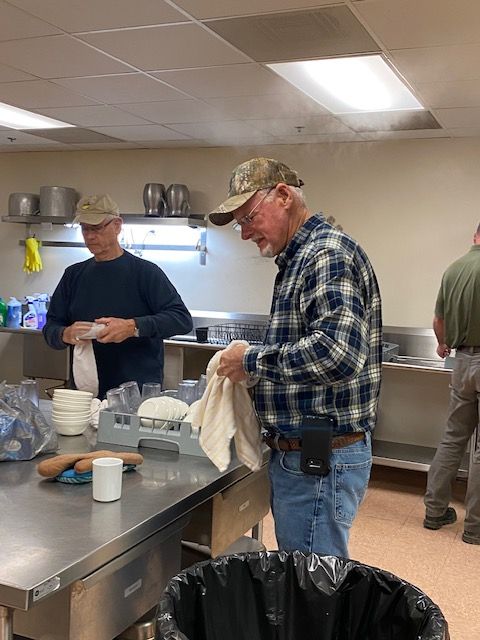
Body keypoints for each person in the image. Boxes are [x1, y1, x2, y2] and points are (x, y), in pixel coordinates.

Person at [209, 157, 382, 557]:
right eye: (239, 223)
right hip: (306, 456)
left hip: (317, 460)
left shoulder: (324, 255)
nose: (245, 232)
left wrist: (251, 360)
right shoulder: (300, 259)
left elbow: (337, 353)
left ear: (283, 196)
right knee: (307, 580)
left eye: (249, 217)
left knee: (310, 589)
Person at [43, 194, 192, 399]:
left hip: (136, 395)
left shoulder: (145, 273)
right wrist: (65, 334)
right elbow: (51, 326)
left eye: (96, 228)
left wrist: (132, 327)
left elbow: (181, 320)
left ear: (117, 225)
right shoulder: (73, 275)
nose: (90, 236)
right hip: (85, 395)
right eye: (85, 229)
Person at [424, 225, 480, 545]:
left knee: (452, 438)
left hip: (460, 362)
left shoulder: (454, 269)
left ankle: (434, 511)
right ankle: (474, 528)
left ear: (475, 236)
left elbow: (437, 320)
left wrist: (443, 344)